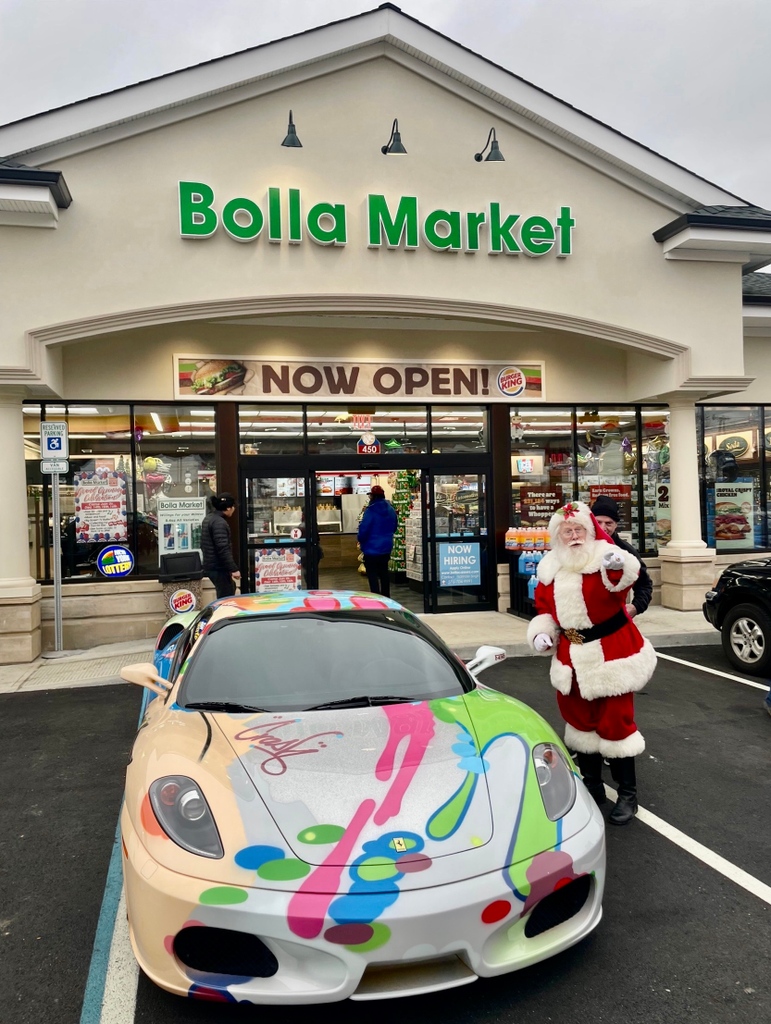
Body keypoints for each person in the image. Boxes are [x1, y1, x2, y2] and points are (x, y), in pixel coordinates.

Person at [526, 500, 657, 825]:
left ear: (589, 531)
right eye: (566, 530)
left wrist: (617, 564)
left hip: (610, 652)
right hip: (570, 653)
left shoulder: (605, 556)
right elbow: (543, 608)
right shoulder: (550, 566)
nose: (573, 536)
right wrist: (542, 633)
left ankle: (628, 795)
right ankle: (593, 785)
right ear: (558, 535)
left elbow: (624, 579)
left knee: (616, 722)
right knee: (579, 720)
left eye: (578, 529)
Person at [590, 494, 653, 618]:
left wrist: (636, 606)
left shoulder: (626, 550)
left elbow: (644, 584)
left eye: (608, 523)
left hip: (613, 620)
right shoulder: (579, 546)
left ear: (616, 524)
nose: (603, 528)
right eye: (598, 522)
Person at [357, 485, 398, 597]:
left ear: (373, 496)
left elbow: (363, 529)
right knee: (384, 573)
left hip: (371, 549)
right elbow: (395, 527)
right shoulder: (391, 509)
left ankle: (376, 597)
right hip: (386, 547)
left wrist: (360, 539)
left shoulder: (370, 511)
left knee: (372, 575)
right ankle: (386, 597)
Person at [201, 492, 241, 599]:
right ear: (228, 508)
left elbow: (203, 544)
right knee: (225, 598)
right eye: (233, 507)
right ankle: (222, 615)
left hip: (211, 565)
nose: (234, 509)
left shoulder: (209, 518)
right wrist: (233, 569)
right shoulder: (219, 523)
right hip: (218, 567)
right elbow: (223, 548)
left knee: (229, 588)